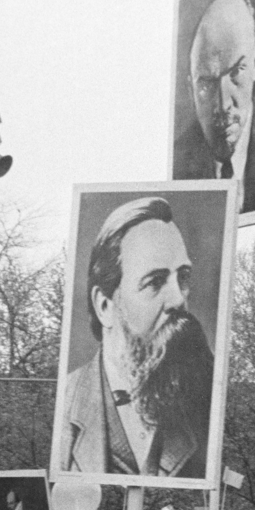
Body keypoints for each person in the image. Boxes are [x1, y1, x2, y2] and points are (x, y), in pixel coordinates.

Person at [58, 196, 214, 480]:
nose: (178, 299)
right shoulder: (64, 405)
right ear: (105, 306)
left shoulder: (206, 403)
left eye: (183, 277)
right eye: (155, 281)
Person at [173, 0, 255, 214]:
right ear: (191, 90)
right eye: (206, 84)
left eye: (237, 71)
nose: (223, 104)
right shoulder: (180, 162)